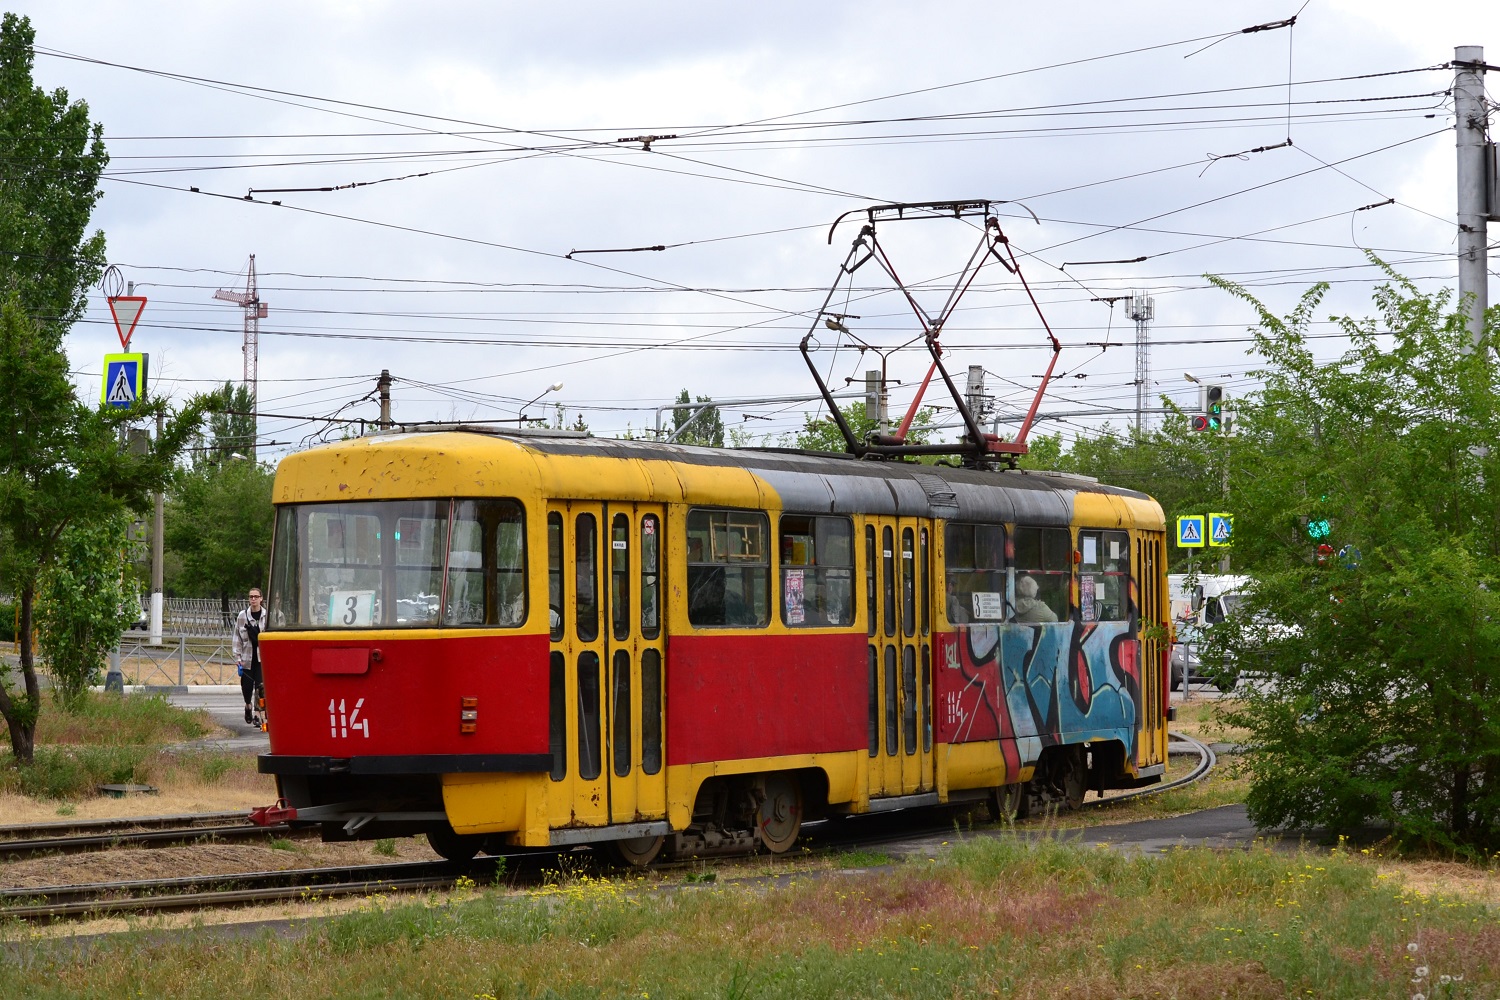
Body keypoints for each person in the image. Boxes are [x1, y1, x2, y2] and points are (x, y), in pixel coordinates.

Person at [233, 588, 268, 726]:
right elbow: (237, 637)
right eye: (251, 597)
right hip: (247, 659)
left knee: (260, 687)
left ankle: (257, 715)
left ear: (261, 598)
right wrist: (238, 657)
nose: (253, 599)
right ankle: (248, 706)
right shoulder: (242, 616)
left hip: (261, 659)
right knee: (246, 687)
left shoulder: (267, 616)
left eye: (256, 596)